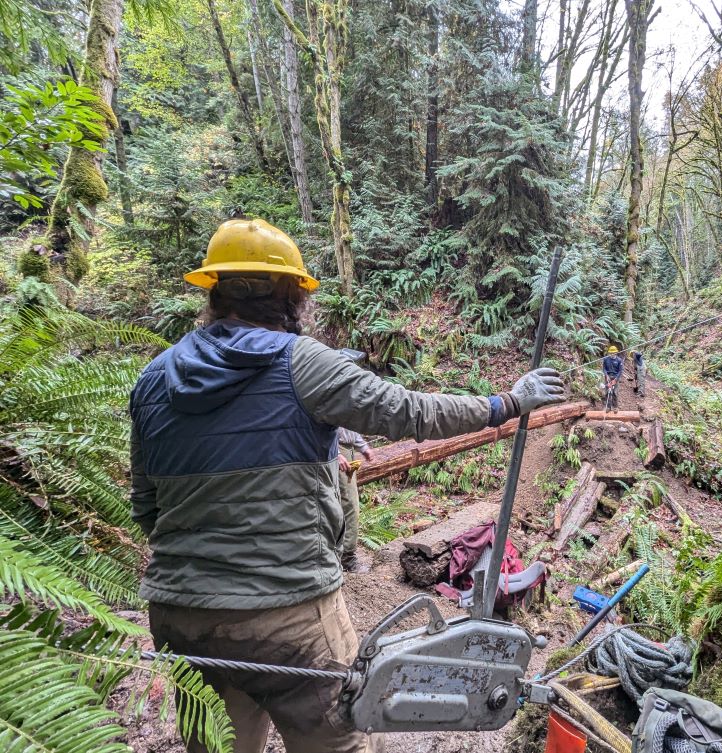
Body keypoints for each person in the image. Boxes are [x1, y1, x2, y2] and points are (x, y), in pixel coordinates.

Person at [129, 218, 565, 753]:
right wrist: (507, 404)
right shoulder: (300, 361)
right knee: (342, 743)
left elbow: (147, 507)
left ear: (215, 292)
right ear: (291, 295)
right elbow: (409, 411)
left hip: (181, 615)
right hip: (286, 614)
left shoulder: (153, 378)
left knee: (217, 746)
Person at [337, 428, 374, 573]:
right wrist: (336, 452)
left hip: (347, 450)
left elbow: (348, 424)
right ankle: (347, 559)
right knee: (350, 505)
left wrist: (363, 447)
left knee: (344, 504)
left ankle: (340, 556)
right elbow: (322, 427)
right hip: (336, 451)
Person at [602, 345, 623, 411]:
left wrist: (616, 379)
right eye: (611, 353)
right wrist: (606, 375)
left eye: (613, 353)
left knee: (615, 392)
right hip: (608, 377)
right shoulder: (606, 359)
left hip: (615, 377)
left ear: (616, 353)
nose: (612, 354)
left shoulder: (619, 360)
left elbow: (620, 371)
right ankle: (608, 407)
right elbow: (604, 368)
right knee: (607, 392)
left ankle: (615, 407)